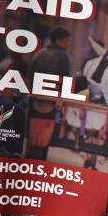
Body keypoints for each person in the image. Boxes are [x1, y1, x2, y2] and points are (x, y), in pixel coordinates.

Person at [27, 27, 71, 159]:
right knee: (46, 134)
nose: (68, 43)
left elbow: (30, 75)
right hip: (51, 101)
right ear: (59, 40)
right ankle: (40, 161)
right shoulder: (63, 57)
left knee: (33, 132)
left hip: (35, 98)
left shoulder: (39, 53)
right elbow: (65, 81)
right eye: (67, 40)